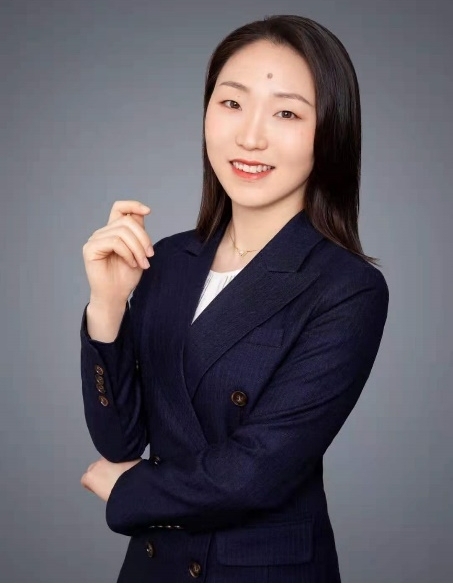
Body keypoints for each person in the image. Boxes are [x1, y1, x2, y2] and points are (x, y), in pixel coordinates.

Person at [79, 14, 389, 583]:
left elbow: (257, 471)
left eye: (287, 113)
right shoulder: (168, 258)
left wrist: (129, 490)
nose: (250, 137)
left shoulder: (346, 288)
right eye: (231, 103)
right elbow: (119, 439)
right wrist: (107, 308)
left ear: (331, 132)